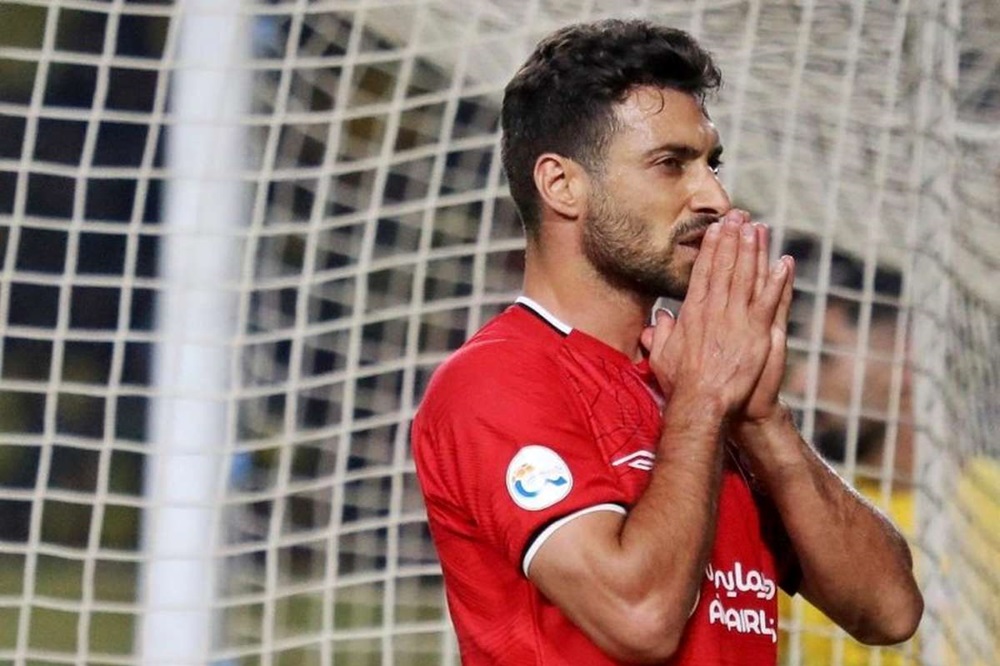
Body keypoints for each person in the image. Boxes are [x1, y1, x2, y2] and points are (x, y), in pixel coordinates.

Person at [411, 18, 923, 665]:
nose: (715, 196)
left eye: (711, 164)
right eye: (670, 164)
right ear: (562, 185)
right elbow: (638, 618)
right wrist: (704, 401)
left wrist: (763, 420)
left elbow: (889, 611)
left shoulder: (694, 382)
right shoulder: (499, 380)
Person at [779, 239, 917, 665]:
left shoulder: (986, 504)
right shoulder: (796, 505)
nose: (799, 384)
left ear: (904, 356)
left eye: (826, 355)